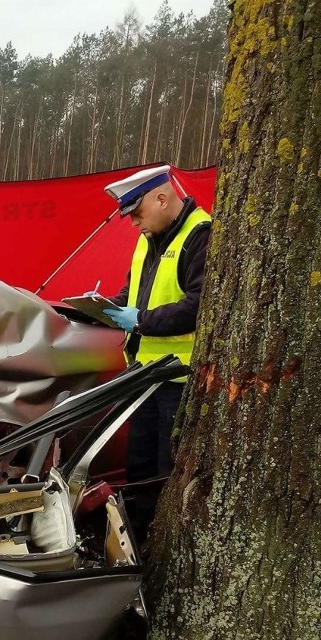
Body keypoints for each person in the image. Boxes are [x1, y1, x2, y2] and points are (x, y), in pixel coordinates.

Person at [100, 164, 211, 543]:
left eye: (136, 214)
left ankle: (163, 542)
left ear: (162, 198)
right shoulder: (151, 235)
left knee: (167, 470)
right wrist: (103, 309)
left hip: (178, 380)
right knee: (140, 466)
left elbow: (200, 305)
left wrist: (141, 320)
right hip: (144, 376)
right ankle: (135, 540)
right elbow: (134, 296)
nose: (133, 224)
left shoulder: (201, 234)